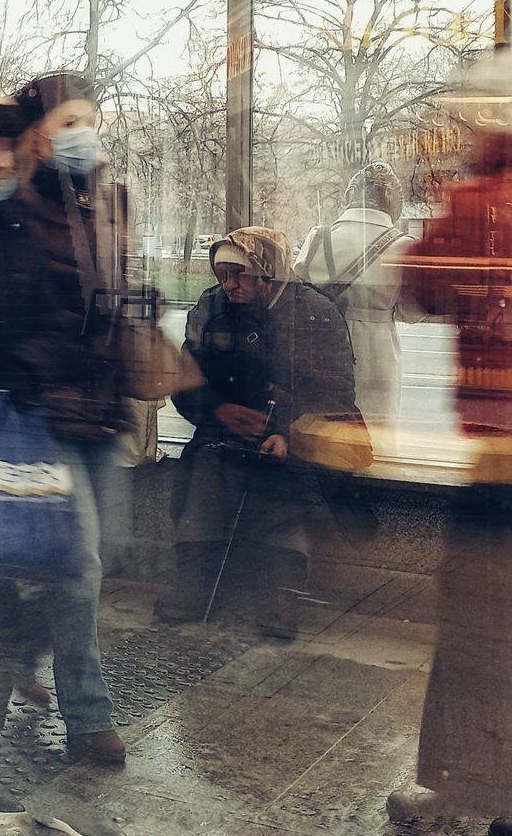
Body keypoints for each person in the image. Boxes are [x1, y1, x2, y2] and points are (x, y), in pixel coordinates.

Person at [0, 69, 131, 827]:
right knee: (35, 580)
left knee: (40, 578)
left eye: (5, 148)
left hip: (43, 417)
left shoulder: (48, 211)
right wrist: (45, 366)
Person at [389, 51, 512, 836]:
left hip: (496, 453)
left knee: (474, 631)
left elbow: (415, 284)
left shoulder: (479, 198)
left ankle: (463, 783)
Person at [162, 226, 359, 638]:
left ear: (270, 273)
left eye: (241, 275)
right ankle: (192, 580)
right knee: (205, 477)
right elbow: (186, 377)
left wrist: (288, 432)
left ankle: (280, 594)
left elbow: (334, 391)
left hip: (297, 434)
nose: (229, 285)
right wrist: (218, 410)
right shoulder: (211, 307)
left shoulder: (315, 313)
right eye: (222, 275)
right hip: (225, 429)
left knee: (285, 489)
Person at [295, 162, 423, 451]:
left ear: (350, 196)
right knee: (376, 436)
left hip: (324, 343)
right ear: (393, 203)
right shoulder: (404, 246)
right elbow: (411, 312)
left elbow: (298, 292)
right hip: (378, 349)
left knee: (327, 429)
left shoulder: (319, 238)